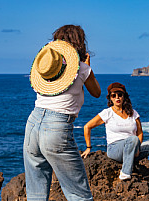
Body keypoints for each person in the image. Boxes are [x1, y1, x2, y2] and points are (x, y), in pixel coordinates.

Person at [24, 25, 101, 201]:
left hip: (33, 124)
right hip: (57, 127)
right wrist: (88, 67)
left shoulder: (45, 68)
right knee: (78, 194)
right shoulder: (82, 69)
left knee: (36, 193)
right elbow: (96, 92)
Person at [81, 82, 149, 189]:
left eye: (120, 95)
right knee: (132, 139)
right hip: (115, 149)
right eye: (114, 95)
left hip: (133, 149)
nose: (117, 97)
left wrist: (137, 147)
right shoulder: (107, 113)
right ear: (110, 98)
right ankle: (125, 172)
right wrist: (88, 147)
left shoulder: (133, 113)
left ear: (124, 97)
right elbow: (87, 127)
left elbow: (140, 132)